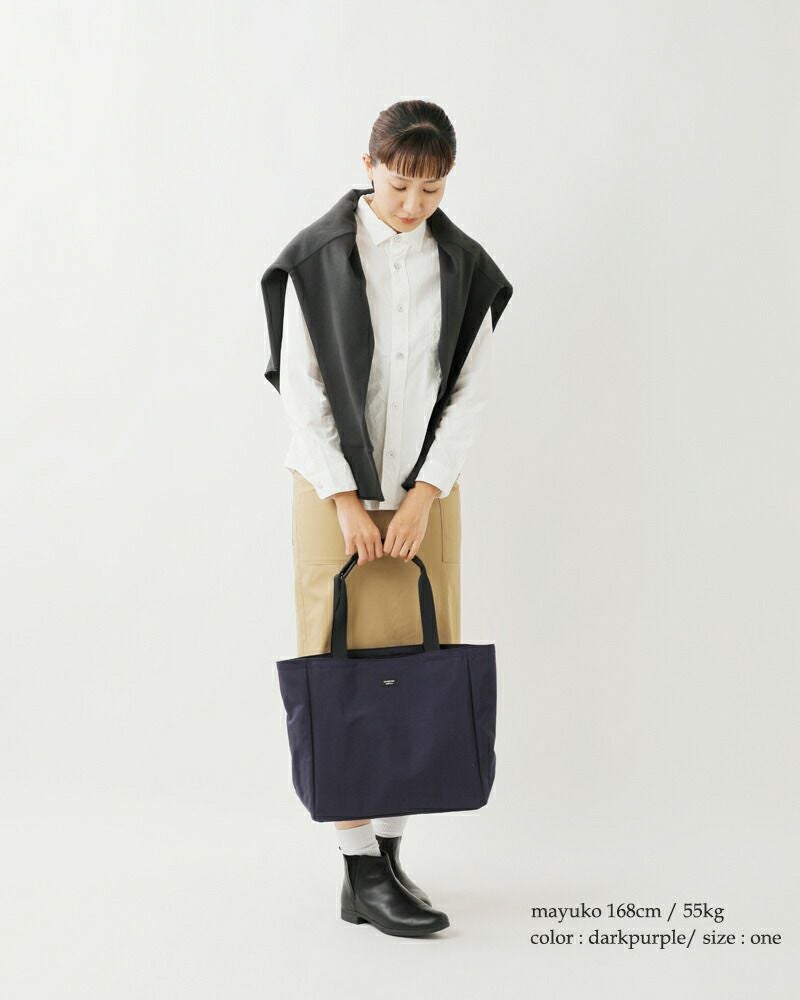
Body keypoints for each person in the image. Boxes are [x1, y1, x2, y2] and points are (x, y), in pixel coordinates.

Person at [261, 99, 513, 937]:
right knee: (336, 666)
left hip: (425, 496)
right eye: (400, 185)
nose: (413, 204)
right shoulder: (314, 260)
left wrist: (423, 495)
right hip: (328, 492)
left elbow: (471, 394)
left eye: (431, 190)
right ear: (367, 164)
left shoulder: (464, 266)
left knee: (419, 665)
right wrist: (345, 499)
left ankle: (390, 858)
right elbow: (302, 393)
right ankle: (357, 864)